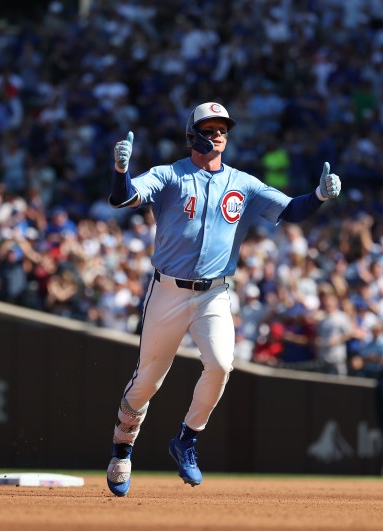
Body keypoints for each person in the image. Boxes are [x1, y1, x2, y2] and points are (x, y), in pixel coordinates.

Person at [104, 101, 342, 496]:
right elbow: (123, 199)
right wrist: (120, 171)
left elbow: (292, 211)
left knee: (221, 365)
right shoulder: (170, 175)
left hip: (214, 293)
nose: (218, 134)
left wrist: (318, 194)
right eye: (210, 127)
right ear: (192, 134)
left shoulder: (243, 183)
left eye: (223, 128)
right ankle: (122, 449)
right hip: (168, 290)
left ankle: (187, 440)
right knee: (147, 381)